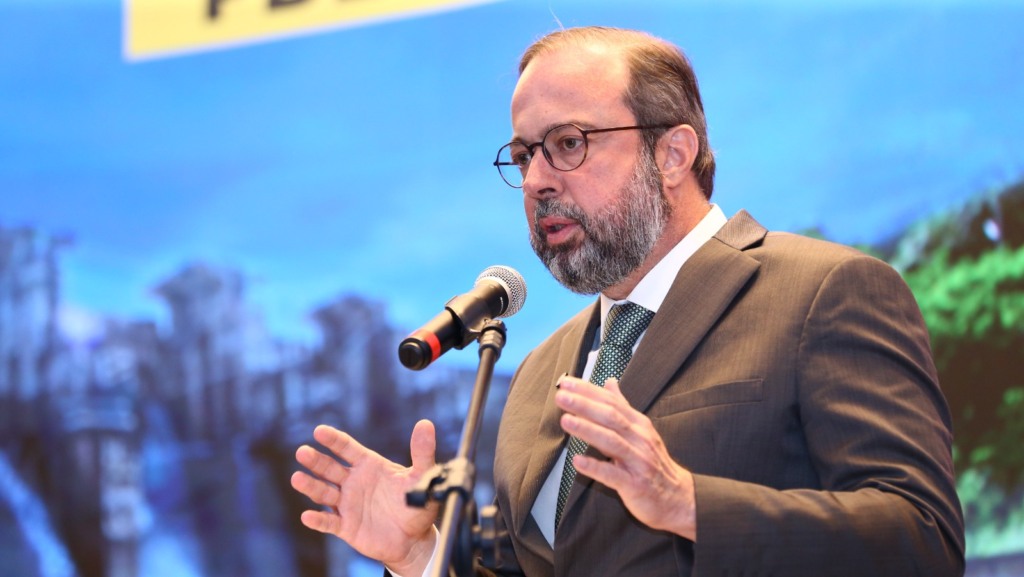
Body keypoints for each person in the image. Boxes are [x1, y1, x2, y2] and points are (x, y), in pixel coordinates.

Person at [290, 26, 965, 576]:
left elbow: (923, 537)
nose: (536, 182)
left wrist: (689, 503)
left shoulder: (819, 291)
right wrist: (422, 556)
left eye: (568, 144)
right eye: (524, 155)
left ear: (673, 154)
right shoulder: (537, 375)